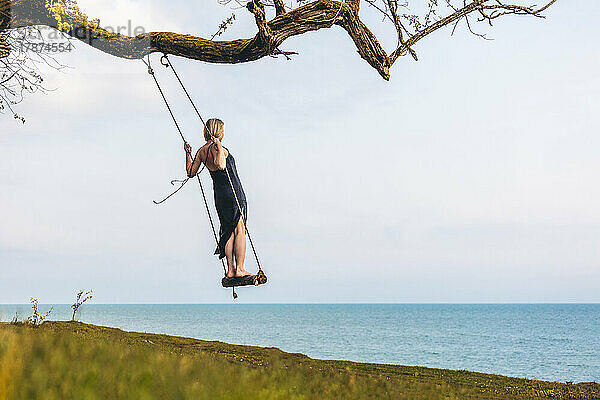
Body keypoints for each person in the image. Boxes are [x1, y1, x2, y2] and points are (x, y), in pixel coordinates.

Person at [185, 118, 252, 278]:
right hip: (233, 192)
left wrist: (188, 154)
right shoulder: (217, 147)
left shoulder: (202, 151)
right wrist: (219, 148)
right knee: (239, 229)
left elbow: (190, 172)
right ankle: (240, 269)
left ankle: (230, 270)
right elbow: (221, 164)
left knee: (228, 231)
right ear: (219, 132)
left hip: (220, 195)